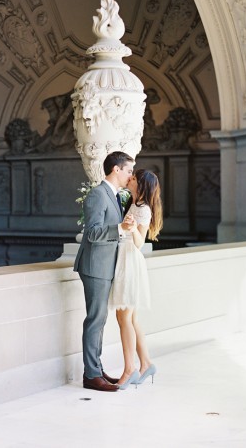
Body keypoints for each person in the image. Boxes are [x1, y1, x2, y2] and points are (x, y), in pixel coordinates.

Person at [74, 151, 135, 392]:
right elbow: (91, 233)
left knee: (99, 320)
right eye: (129, 170)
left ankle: (96, 370)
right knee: (95, 320)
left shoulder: (113, 195)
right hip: (95, 266)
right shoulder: (98, 195)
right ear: (116, 169)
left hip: (105, 266)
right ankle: (91, 375)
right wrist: (119, 227)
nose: (131, 175)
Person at [109, 169, 163, 389]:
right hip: (126, 260)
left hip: (130, 262)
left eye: (134, 178)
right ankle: (146, 363)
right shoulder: (135, 204)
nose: (129, 179)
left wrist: (131, 229)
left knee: (124, 318)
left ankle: (129, 368)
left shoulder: (143, 209)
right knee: (129, 319)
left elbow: (140, 242)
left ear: (141, 185)